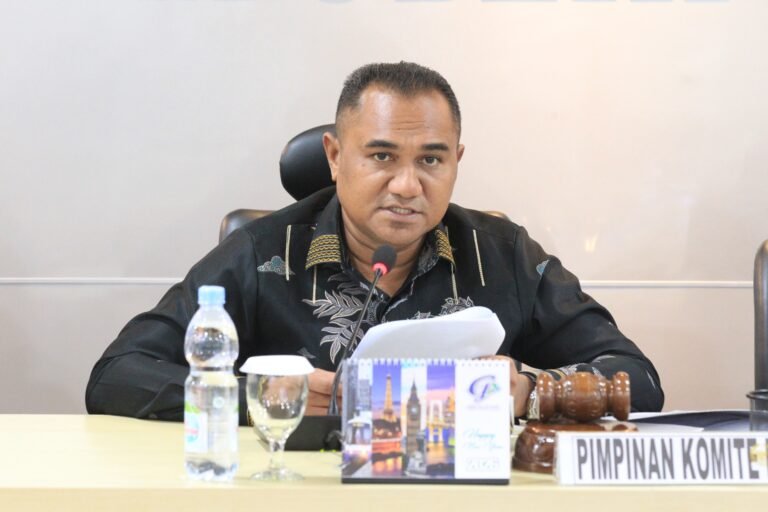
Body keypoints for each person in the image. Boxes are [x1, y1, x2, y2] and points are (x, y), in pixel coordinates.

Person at [86, 62, 664, 424]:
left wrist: (532, 392)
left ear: (456, 161)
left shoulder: (501, 254)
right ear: (336, 157)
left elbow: (637, 379)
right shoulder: (261, 253)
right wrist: (257, 397)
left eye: (431, 160)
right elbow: (117, 374)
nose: (407, 186)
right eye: (382, 156)